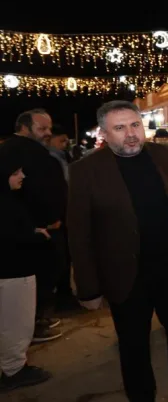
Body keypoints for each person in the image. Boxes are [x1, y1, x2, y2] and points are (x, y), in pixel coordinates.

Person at [67, 100, 168, 402]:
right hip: (126, 275)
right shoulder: (86, 170)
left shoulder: (165, 155)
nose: (131, 134)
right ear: (105, 133)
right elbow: (80, 235)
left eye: (135, 125)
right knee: (134, 346)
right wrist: (89, 288)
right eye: (120, 128)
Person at [2, 110, 66, 343]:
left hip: (30, 229)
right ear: (25, 128)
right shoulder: (26, 153)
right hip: (35, 232)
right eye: (42, 129)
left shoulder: (13, 149)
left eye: (49, 129)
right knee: (35, 286)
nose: (48, 133)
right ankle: (33, 328)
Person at [0, 148, 53, 393]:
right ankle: (14, 370)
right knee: (15, 323)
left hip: (13, 271)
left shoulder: (10, 198)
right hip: (13, 273)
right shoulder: (5, 202)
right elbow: (10, 236)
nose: (22, 176)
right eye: (16, 172)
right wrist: (36, 236)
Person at [48, 126, 79, 311]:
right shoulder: (51, 159)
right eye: (62, 140)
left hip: (66, 212)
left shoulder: (63, 157)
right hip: (60, 215)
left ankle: (64, 293)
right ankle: (62, 295)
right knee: (62, 256)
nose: (65, 144)